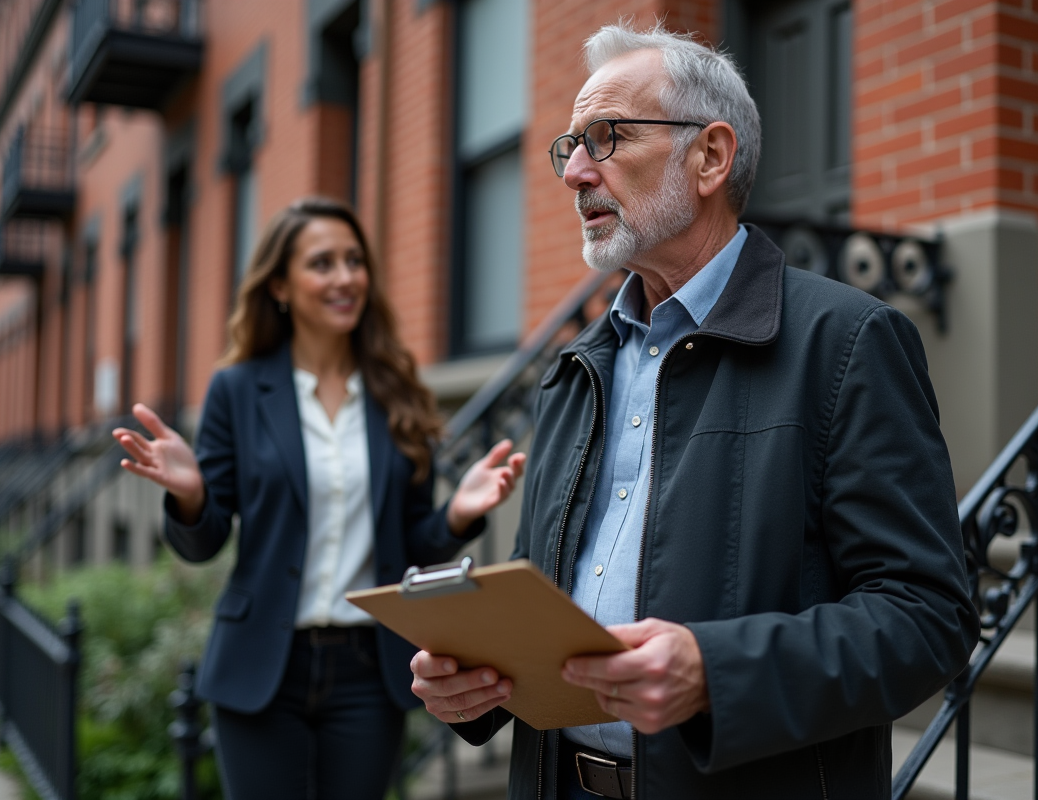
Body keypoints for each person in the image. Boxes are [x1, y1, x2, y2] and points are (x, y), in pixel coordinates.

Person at [408, 23, 979, 799]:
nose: (575, 172)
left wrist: (716, 673)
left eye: (605, 137)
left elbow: (927, 617)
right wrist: (476, 689)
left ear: (710, 157)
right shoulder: (575, 371)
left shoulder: (848, 344)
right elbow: (554, 612)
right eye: (569, 146)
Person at [113, 197, 526, 799]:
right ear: (280, 284)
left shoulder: (393, 389)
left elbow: (412, 543)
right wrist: (193, 496)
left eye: (354, 261)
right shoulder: (238, 390)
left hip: (368, 667)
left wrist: (458, 514)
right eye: (322, 263)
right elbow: (203, 545)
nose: (345, 278)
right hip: (261, 668)